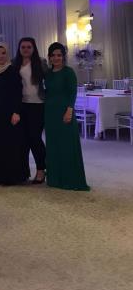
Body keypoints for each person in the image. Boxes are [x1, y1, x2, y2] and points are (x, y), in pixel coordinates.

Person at [44, 43, 90, 191]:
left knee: (67, 146)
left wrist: (69, 110)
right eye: (53, 55)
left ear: (63, 57)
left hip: (64, 112)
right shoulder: (48, 74)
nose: (56, 58)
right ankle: (55, 179)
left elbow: (72, 93)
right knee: (53, 146)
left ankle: (70, 179)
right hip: (50, 113)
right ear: (49, 57)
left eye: (59, 55)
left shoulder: (68, 72)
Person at [0, 42, 27, 185]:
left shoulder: (12, 70)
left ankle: (11, 177)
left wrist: (16, 112)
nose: (0, 56)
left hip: (9, 113)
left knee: (10, 145)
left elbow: (17, 93)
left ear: (7, 55)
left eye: (3, 53)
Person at [13, 37, 47, 184]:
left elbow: (50, 80)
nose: (26, 49)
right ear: (19, 49)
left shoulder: (41, 62)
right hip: (21, 105)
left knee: (35, 138)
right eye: (23, 47)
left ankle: (41, 169)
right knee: (23, 140)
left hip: (38, 105)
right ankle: (23, 172)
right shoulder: (14, 63)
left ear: (33, 48)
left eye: (29, 47)